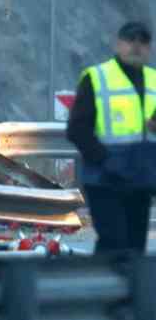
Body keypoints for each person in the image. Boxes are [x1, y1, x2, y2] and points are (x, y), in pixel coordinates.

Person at [67, 21, 156, 256]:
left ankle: (128, 293)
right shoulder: (97, 78)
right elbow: (77, 129)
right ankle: (100, 290)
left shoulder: (154, 80)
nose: (136, 46)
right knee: (114, 244)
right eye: (130, 40)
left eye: (143, 41)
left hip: (141, 182)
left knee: (135, 248)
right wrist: (105, 160)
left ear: (149, 48)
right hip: (105, 181)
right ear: (118, 44)